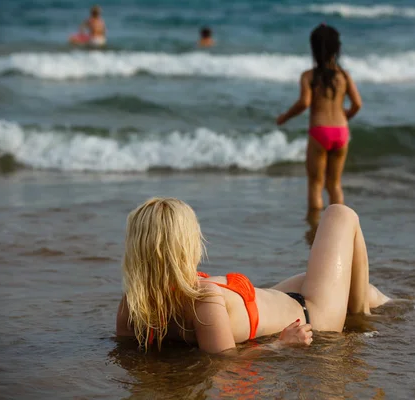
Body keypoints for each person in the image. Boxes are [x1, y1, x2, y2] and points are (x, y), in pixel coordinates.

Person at [116, 197, 390, 354]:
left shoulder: (132, 305)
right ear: (186, 246)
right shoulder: (204, 301)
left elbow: (127, 353)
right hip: (311, 314)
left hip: (284, 297)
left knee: (359, 287)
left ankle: (367, 306)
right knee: (340, 213)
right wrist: (281, 345)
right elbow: (225, 363)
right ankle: (361, 317)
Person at [276, 24, 362, 211]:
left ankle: (315, 229)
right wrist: (345, 117)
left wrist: (285, 117)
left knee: (315, 185)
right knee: (335, 185)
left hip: (320, 132)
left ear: (313, 48)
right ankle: (340, 228)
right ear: (337, 48)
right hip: (341, 132)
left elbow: (304, 103)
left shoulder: (308, 76)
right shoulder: (344, 76)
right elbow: (357, 104)